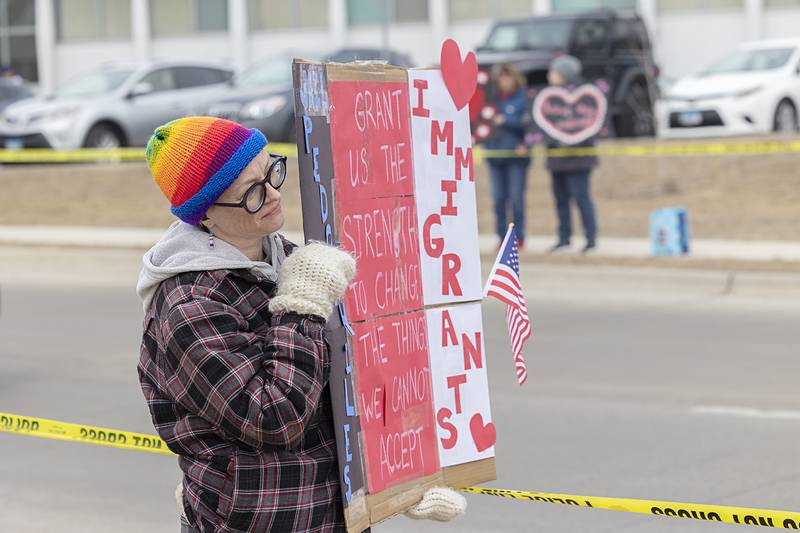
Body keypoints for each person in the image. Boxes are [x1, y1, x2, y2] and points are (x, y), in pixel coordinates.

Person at [136, 116, 465, 533]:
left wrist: (391, 479)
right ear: (206, 216)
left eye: (271, 171)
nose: (273, 194)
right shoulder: (190, 303)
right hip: (258, 521)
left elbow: (344, 380)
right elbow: (275, 417)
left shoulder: (284, 257)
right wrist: (301, 306)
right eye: (251, 193)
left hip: (329, 516)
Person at [546, 55, 599, 254]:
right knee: (560, 200)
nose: (550, 75)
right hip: (556, 160)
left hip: (578, 160)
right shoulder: (548, 99)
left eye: (554, 71)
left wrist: (570, 139)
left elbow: (591, 126)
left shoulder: (585, 98)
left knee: (581, 199)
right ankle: (564, 238)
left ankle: (591, 238)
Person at [484, 63, 531, 249]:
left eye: (507, 77)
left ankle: (519, 237)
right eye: (501, 78)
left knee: (516, 198)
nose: (504, 81)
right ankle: (501, 237)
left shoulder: (523, 98)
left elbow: (528, 124)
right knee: (498, 199)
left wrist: (505, 120)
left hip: (516, 157)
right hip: (495, 155)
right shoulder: (491, 99)